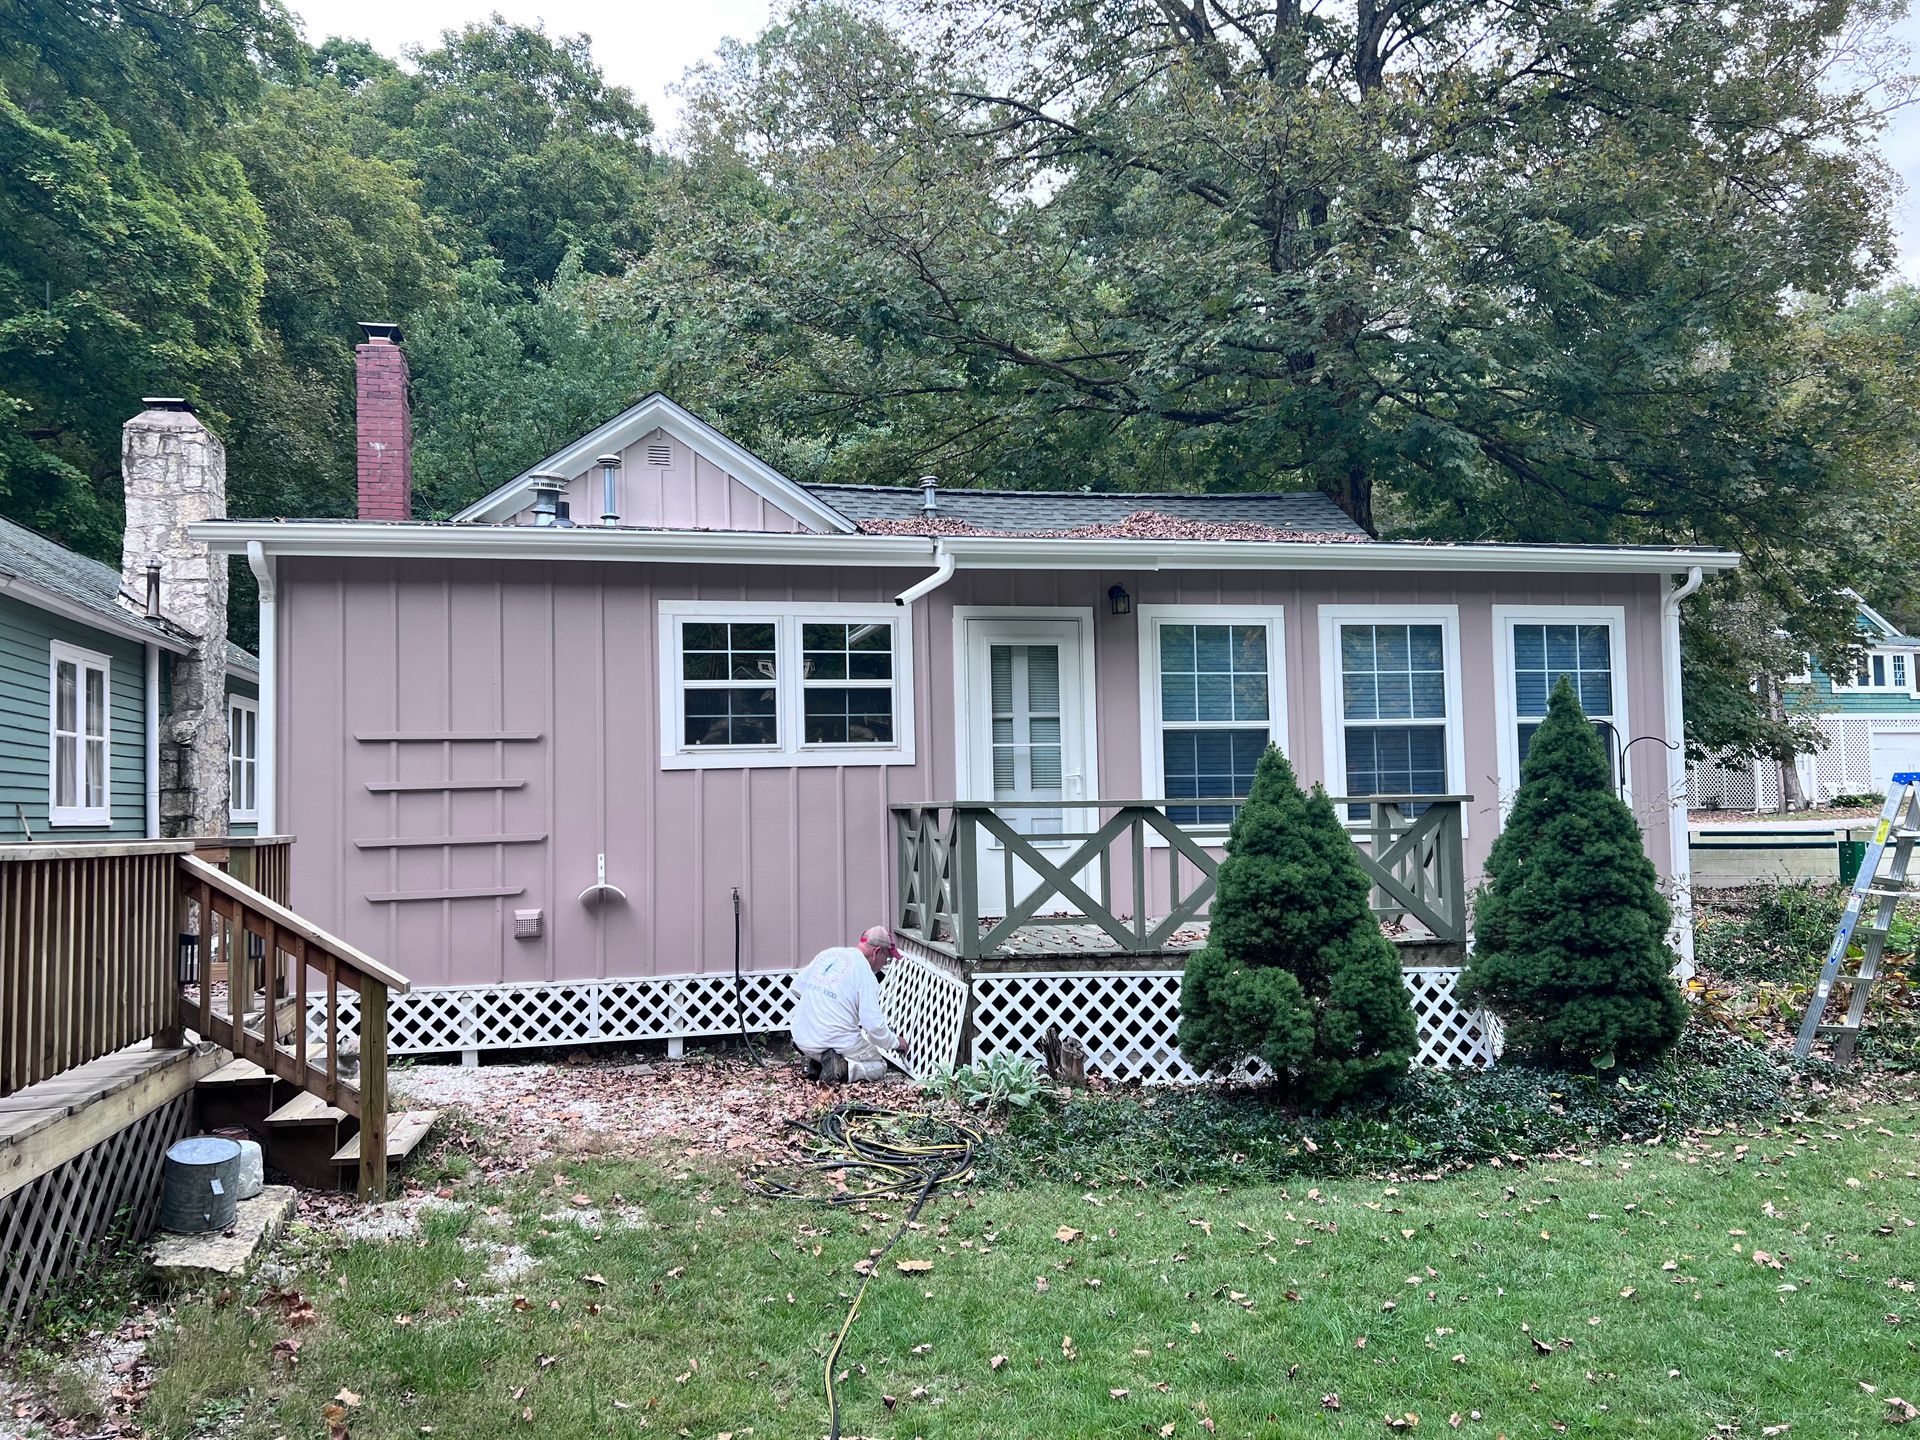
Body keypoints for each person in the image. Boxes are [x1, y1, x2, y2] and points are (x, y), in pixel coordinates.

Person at [790, 925, 911, 1082]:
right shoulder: (866, 977)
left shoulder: (828, 954)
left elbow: (796, 988)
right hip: (831, 1041)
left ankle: (815, 1062)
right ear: (877, 952)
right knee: (878, 1065)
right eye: (886, 959)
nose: (884, 964)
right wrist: (895, 1042)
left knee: (838, 1040)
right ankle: (841, 1069)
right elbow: (874, 1027)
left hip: (801, 1036)